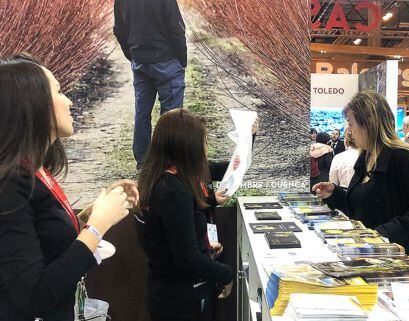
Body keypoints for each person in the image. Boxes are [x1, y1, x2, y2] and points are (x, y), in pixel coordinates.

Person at [0, 55, 137, 321]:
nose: (70, 101)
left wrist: (90, 214)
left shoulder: (36, 170)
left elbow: (46, 239)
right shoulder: (10, 185)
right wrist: (97, 226)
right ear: (33, 104)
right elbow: (32, 297)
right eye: (59, 91)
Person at [313, 91, 409, 277]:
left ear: (368, 124)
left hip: (407, 263)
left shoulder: (405, 158)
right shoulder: (365, 157)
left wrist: (381, 234)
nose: (349, 131)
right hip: (376, 259)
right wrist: (335, 194)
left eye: (351, 125)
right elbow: (361, 206)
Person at [136, 109, 235, 321]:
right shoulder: (172, 191)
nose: (205, 150)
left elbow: (174, 242)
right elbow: (187, 259)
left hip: (169, 292)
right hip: (182, 301)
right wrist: (226, 274)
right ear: (188, 147)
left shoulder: (159, 179)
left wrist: (204, 250)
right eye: (203, 143)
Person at [113, 0, 188, 169]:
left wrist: (132, 55)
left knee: (142, 111)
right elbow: (176, 28)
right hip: (166, 60)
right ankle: (169, 162)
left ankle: (143, 161)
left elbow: (118, 30)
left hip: (140, 61)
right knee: (172, 115)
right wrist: (181, 59)